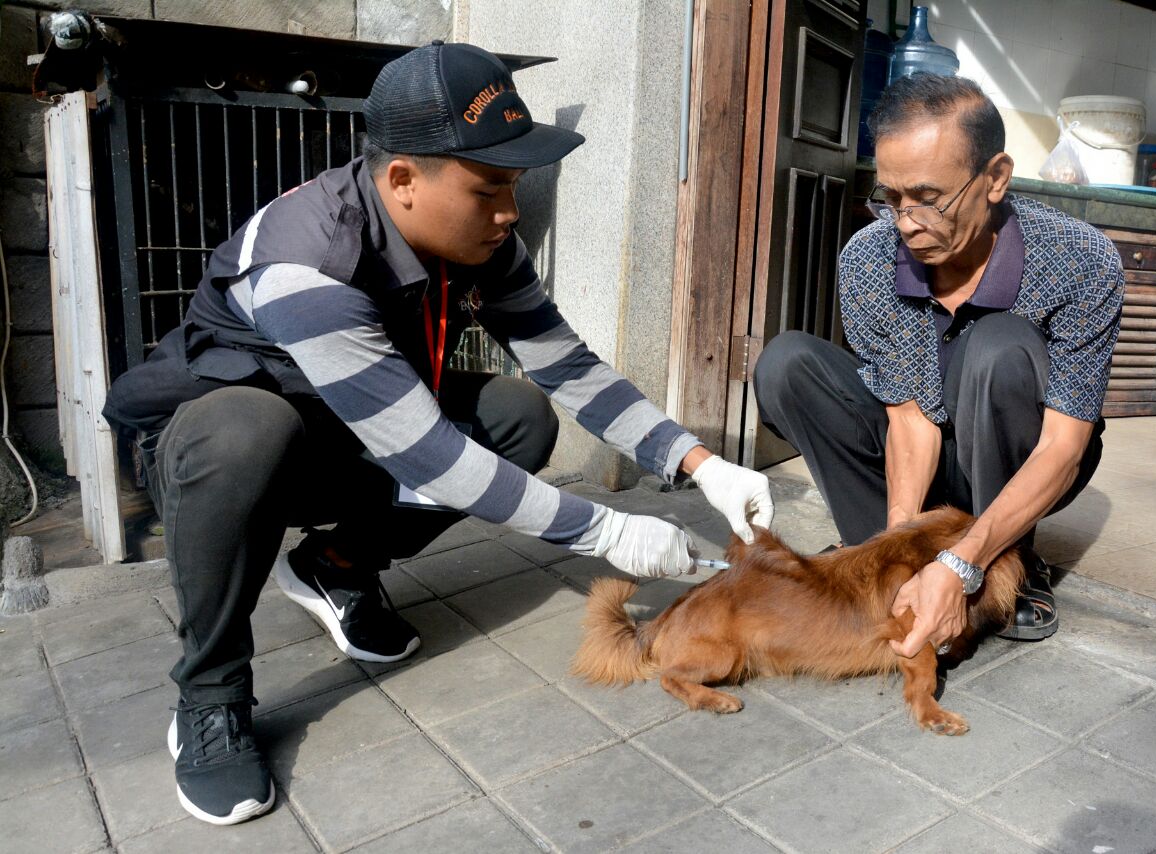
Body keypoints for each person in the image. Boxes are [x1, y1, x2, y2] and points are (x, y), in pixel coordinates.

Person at [102, 41, 773, 826]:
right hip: (216, 449)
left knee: (516, 416)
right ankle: (210, 694)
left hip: (346, 429)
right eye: (489, 187)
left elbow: (571, 370)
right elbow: (426, 455)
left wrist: (698, 462)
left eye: (515, 186)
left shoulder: (483, 244)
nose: (510, 212)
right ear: (401, 181)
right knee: (247, 431)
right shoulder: (309, 261)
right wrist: (607, 531)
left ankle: (335, 564)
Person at [753, 74, 1122, 662]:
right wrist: (902, 547)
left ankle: (1009, 562)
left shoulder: (1078, 259)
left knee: (998, 346)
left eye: (928, 198)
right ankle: (884, 561)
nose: (905, 222)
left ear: (995, 178)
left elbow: (1063, 446)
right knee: (787, 364)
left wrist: (962, 561)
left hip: (1023, 449)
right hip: (928, 447)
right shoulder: (871, 258)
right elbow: (908, 420)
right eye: (891, 198)